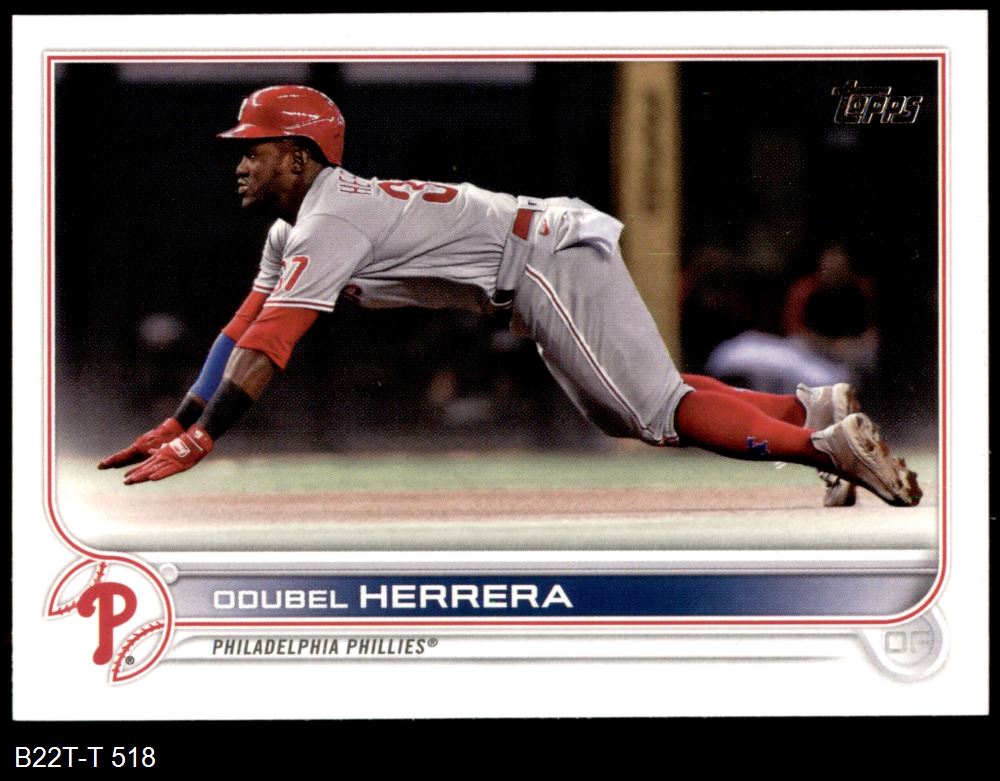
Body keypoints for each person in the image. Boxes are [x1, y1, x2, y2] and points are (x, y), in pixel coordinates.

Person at [98, 85, 921, 508]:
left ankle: (824, 447)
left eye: (258, 147)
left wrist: (206, 439)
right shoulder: (295, 228)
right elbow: (240, 330)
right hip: (537, 259)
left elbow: (272, 346)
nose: (242, 161)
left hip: (541, 261)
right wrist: (180, 419)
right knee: (637, 406)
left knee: (656, 415)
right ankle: (808, 408)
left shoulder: (328, 220)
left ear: (302, 155)